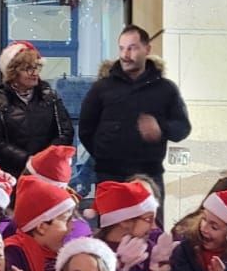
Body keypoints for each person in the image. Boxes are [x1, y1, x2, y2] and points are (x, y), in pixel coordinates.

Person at [78, 26, 192, 204]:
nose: (125, 54)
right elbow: (86, 129)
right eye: (122, 48)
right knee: (111, 229)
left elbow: (183, 128)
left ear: (147, 49)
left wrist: (161, 128)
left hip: (150, 177)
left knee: (149, 229)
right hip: (110, 176)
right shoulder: (102, 88)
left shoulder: (165, 89)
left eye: (132, 48)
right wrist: (104, 154)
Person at [0, 41, 73, 179]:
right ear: (13, 72)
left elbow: (65, 132)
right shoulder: (0, 101)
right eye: (28, 69)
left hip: (49, 171)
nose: (34, 73)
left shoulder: (50, 96)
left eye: (36, 67)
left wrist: (45, 157)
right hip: (13, 173)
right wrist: (27, 159)